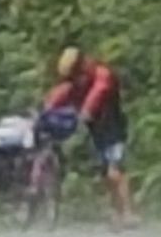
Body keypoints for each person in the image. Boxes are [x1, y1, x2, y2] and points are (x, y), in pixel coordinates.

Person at [44, 46, 135, 225]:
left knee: (115, 171)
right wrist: (47, 110)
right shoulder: (76, 82)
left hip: (113, 128)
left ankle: (128, 212)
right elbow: (62, 93)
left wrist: (85, 111)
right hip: (97, 131)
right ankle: (117, 212)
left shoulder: (102, 74)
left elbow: (98, 92)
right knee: (106, 174)